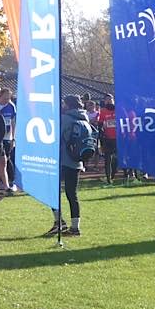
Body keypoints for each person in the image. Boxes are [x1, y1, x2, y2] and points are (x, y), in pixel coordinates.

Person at [47, 95, 90, 237]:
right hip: (77, 161)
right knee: (72, 195)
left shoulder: (65, 119)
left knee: (52, 192)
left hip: (63, 160)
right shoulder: (84, 118)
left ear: (68, 105)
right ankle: (75, 228)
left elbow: (54, 137)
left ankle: (58, 221)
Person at [0, 88, 17, 193]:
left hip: (7, 137)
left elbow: (13, 122)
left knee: (4, 161)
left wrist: (13, 138)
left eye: (9, 97)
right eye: (5, 97)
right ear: (1, 95)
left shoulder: (11, 106)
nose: (7, 99)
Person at [97, 94, 118, 185]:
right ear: (104, 101)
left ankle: (113, 175)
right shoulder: (103, 111)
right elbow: (100, 124)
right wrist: (101, 132)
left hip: (118, 138)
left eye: (110, 99)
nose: (109, 101)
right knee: (107, 158)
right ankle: (108, 178)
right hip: (107, 138)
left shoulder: (119, 110)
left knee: (116, 158)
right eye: (107, 100)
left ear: (113, 100)